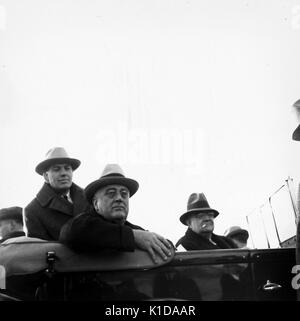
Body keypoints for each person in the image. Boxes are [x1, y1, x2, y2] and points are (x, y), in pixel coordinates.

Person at [59, 164, 172, 264]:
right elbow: (73, 232)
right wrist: (132, 237)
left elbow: (166, 249)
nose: (119, 198)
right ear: (96, 204)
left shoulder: (135, 231)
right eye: (111, 193)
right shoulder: (81, 225)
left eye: (124, 194)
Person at [24, 147, 90, 240]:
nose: (63, 173)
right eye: (56, 169)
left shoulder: (89, 197)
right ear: (46, 176)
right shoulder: (33, 210)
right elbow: (40, 251)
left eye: (67, 168)